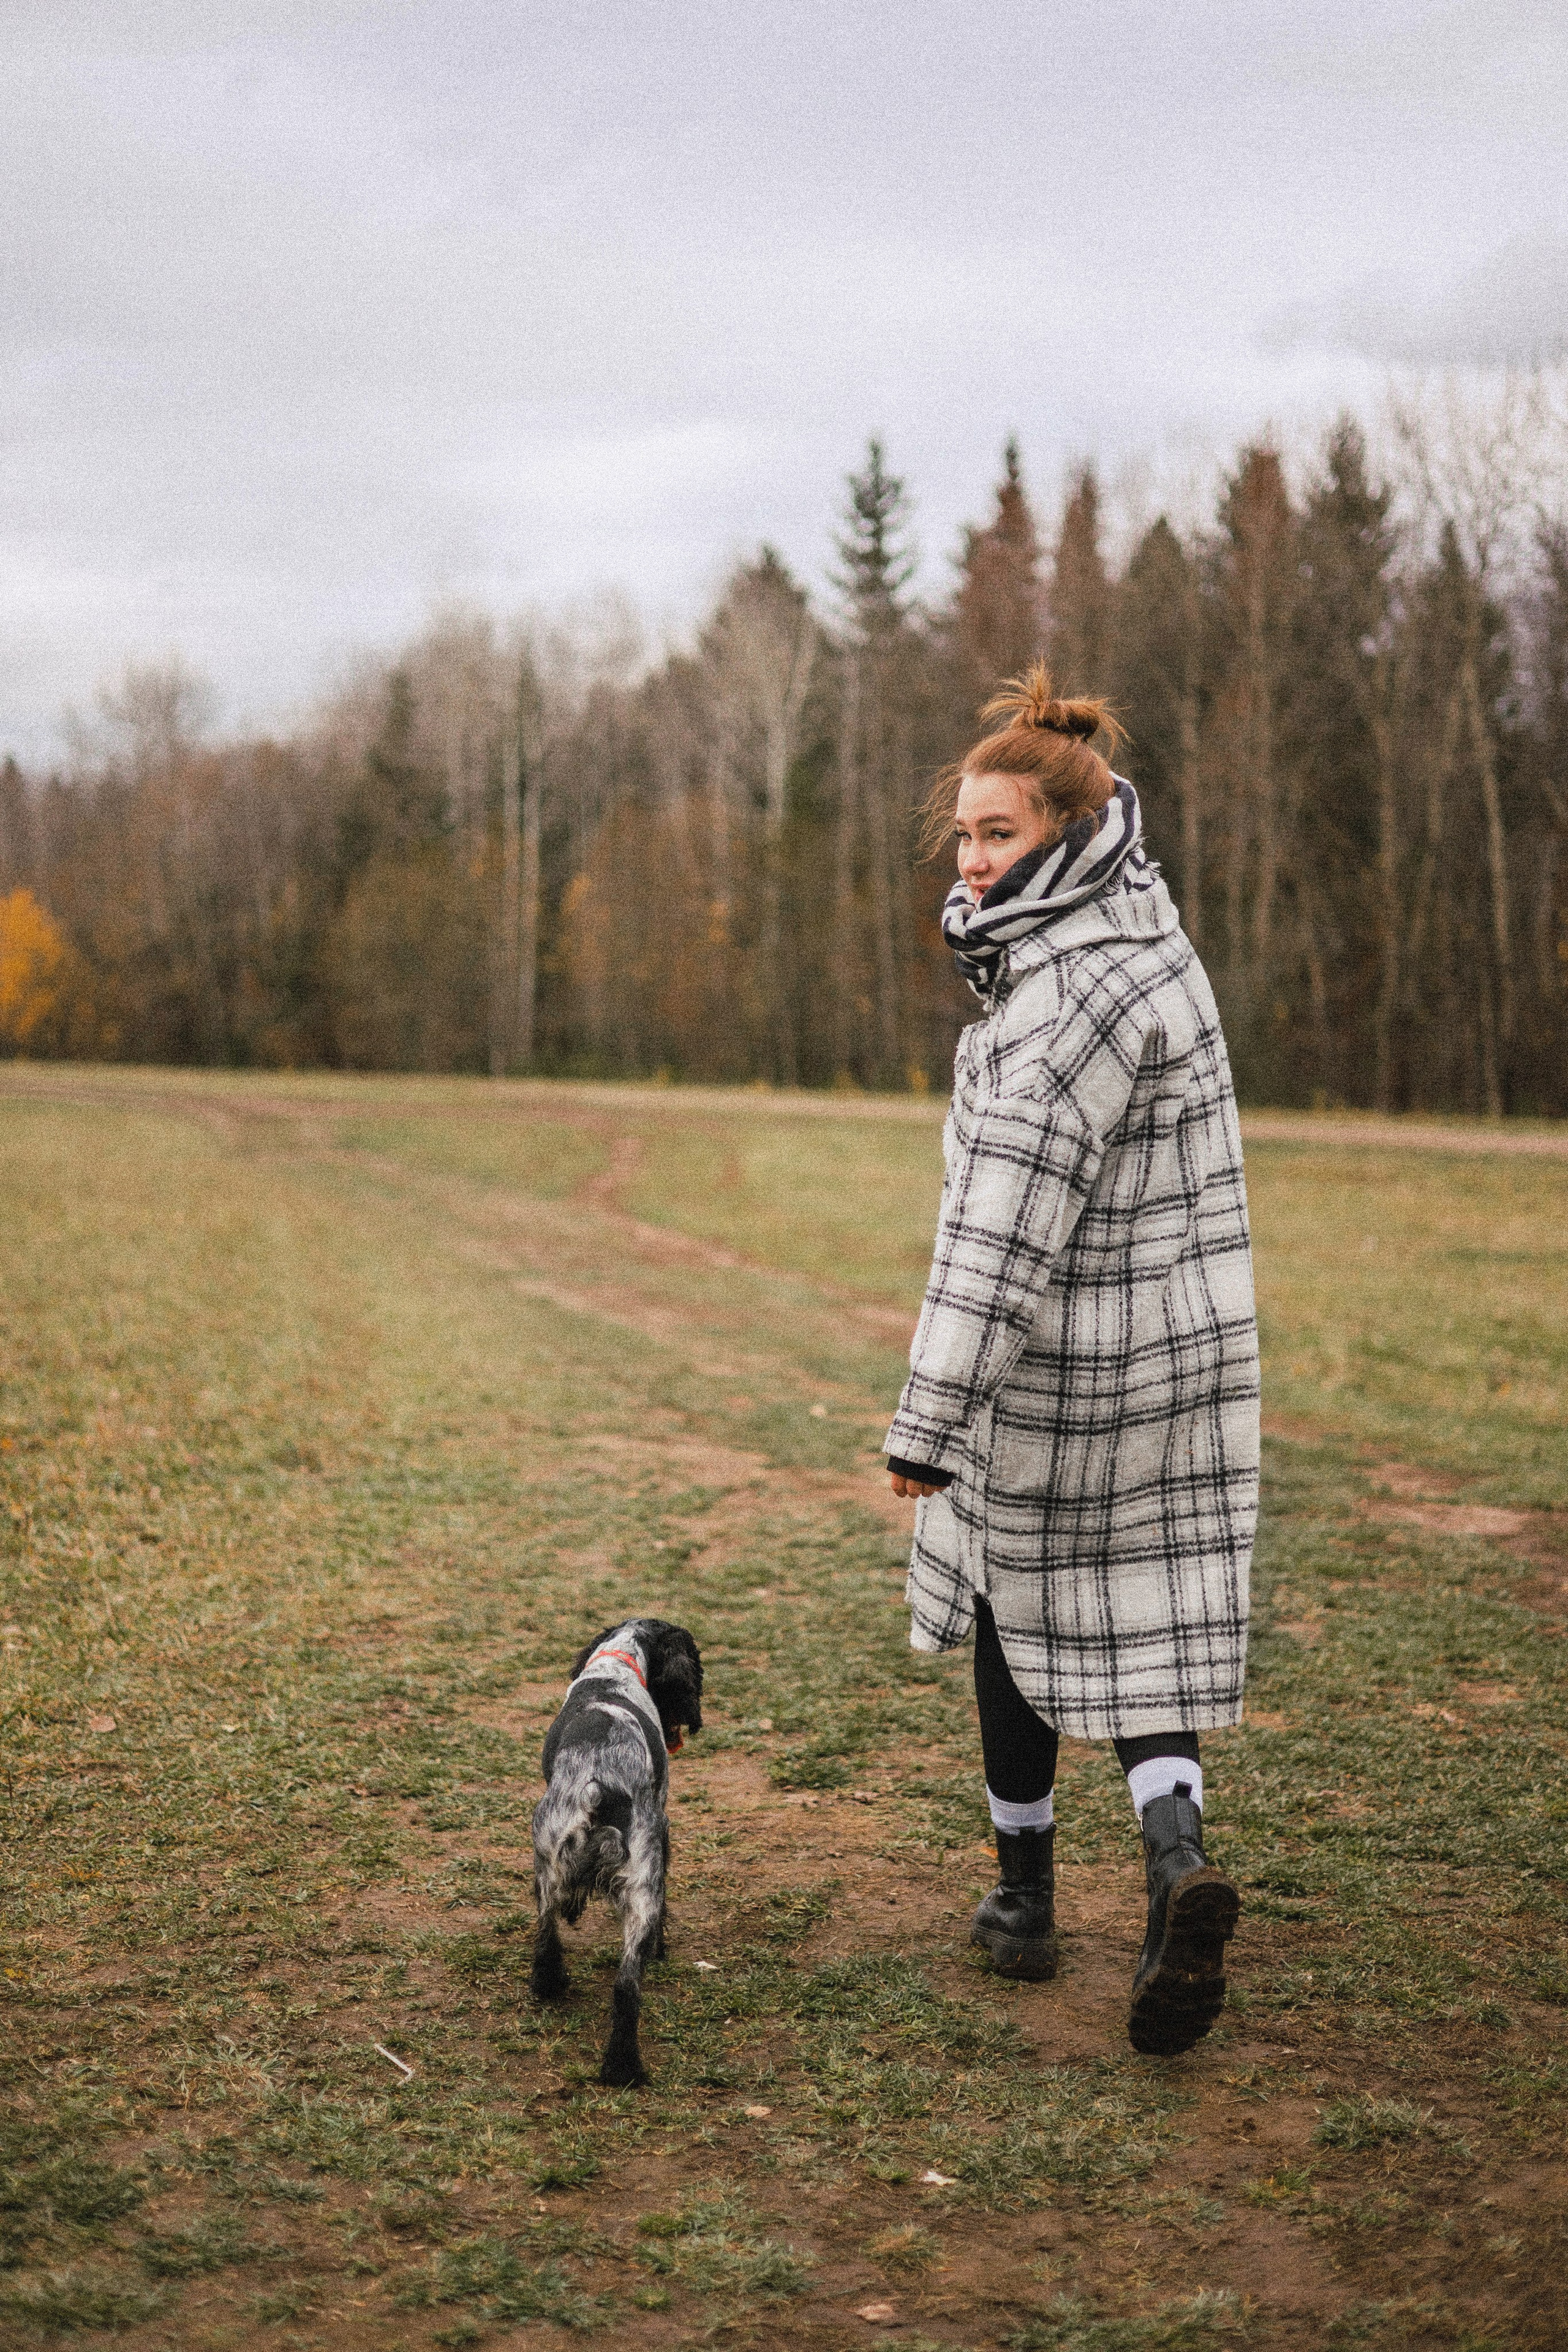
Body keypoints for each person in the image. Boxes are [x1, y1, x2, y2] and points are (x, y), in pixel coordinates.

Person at [884, 664, 1259, 2056]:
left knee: (1011, 1602)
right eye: (964, 837)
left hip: (1054, 1372)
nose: (973, 862)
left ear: (1071, 834)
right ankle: (1173, 1870)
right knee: (1147, 1621)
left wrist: (930, 1417)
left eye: (999, 835)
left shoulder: (1061, 996)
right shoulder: (1150, 950)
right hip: (1181, 1362)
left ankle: (1023, 1901)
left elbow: (1002, 1227)